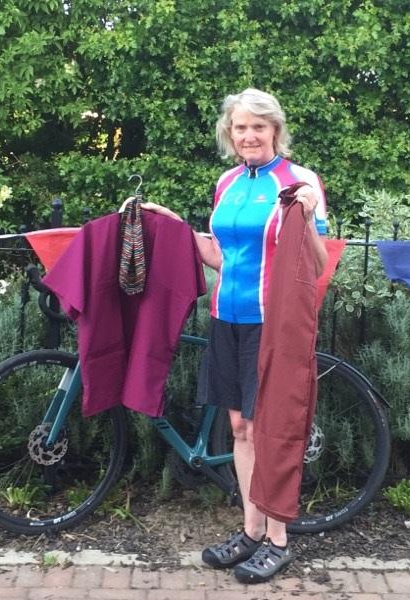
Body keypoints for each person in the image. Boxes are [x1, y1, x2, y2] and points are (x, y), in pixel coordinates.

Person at [143, 88, 328, 583]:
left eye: (258, 127)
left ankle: (279, 540)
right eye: (240, 127)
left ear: (275, 131)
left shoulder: (299, 181)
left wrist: (307, 217)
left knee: (270, 431)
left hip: (274, 322)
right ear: (231, 134)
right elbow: (224, 258)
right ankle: (250, 531)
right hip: (227, 317)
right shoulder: (226, 183)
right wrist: (177, 228)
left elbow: (318, 263)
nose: (249, 135)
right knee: (241, 430)